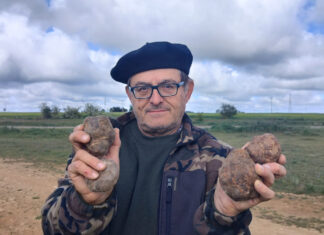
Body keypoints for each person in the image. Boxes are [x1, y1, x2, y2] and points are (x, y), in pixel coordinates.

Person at [41, 41, 286, 235]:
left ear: (187, 90)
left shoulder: (220, 158)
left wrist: (223, 215)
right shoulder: (96, 150)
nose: (155, 98)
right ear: (130, 94)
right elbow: (52, 230)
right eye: (143, 88)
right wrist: (85, 202)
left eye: (168, 86)